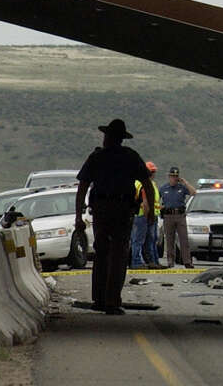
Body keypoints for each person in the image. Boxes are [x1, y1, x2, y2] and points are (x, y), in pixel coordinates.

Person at [74, 119, 156, 314]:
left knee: (101, 252)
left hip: (102, 210)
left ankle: (99, 299)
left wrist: (78, 216)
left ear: (107, 137)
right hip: (122, 210)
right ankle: (112, 301)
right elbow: (146, 184)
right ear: (122, 139)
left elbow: (82, 187)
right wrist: (150, 210)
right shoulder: (131, 157)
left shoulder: (97, 157)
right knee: (118, 255)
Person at [159, 166, 196, 269]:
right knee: (169, 240)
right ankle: (170, 261)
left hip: (180, 215)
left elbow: (194, 193)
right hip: (168, 216)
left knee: (184, 239)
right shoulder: (163, 188)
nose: (174, 178)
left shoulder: (182, 187)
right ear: (169, 176)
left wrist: (185, 182)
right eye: (172, 176)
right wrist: (160, 207)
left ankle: (187, 261)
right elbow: (156, 200)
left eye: (176, 176)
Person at [130, 161, 163, 269]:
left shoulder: (151, 184)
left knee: (151, 240)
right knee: (138, 240)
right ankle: (136, 262)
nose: (154, 174)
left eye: (154, 171)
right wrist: (148, 216)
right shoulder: (143, 184)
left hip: (150, 215)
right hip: (143, 216)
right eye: (152, 171)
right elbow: (145, 203)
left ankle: (153, 261)